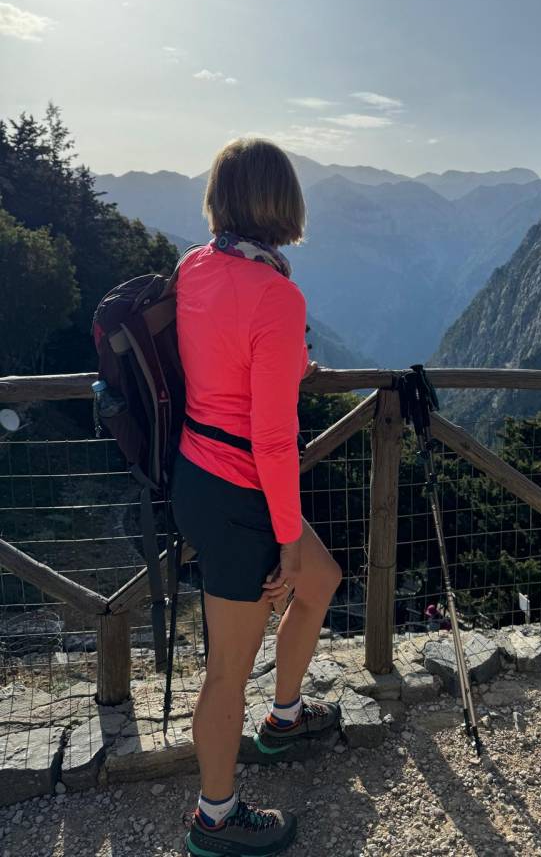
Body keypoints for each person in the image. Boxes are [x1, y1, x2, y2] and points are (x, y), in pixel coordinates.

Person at [170, 137, 343, 856]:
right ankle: (215, 819)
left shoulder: (195, 266)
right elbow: (273, 437)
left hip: (198, 471)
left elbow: (225, 360)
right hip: (242, 489)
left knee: (322, 580)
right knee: (227, 671)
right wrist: (287, 538)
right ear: (283, 201)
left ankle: (285, 718)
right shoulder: (276, 294)